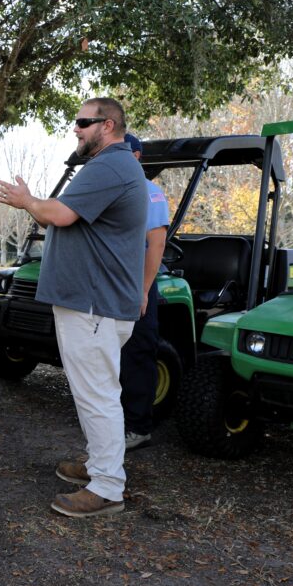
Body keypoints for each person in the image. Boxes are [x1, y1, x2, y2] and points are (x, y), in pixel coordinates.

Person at [0, 97, 146, 518]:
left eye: (82, 122)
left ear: (108, 125)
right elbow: (65, 218)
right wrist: (35, 206)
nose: (75, 129)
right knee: (92, 391)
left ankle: (108, 487)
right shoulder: (107, 166)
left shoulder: (110, 165)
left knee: (97, 395)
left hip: (94, 305)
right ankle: (99, 466)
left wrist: (27, 200)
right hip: (90, 304)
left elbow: (59, 214)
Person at [119, 133, 170, 450]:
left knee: (137, 354)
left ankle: (138, 427)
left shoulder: (150, 193)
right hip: (113, 283)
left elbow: (157, 243)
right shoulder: (113, 191)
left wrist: (144, 290)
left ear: (136, 156)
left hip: (138, 285)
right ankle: (117, 423)